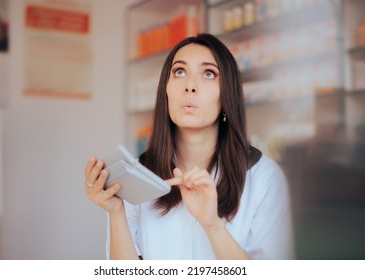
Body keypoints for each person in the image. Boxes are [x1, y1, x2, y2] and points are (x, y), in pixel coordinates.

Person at [84, 33, 294, 260]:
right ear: (166, 89)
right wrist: (116, 213)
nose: (190, 86)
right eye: (180, 72)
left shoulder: (263, 177)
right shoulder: (138, 175)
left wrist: (212, 225)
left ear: (227, 95)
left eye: (209, 73)